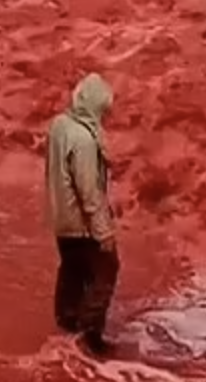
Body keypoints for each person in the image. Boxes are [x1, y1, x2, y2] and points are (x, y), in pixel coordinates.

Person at [44, 72, 119, 356]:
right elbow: (89, 191)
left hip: (62, 220)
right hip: (82, 223)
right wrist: (104, 231)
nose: (106, 116)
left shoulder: (59, 126)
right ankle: (90, 337)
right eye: (104, 110)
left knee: (72, 271)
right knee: (106, 269)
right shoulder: (85, 140)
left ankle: (66, 325)